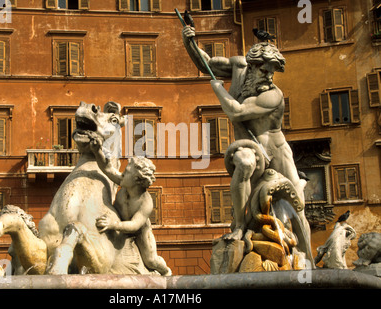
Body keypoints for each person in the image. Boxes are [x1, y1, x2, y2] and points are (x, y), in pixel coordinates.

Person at [182, 25, 308, 242]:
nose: (269, 77)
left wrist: (218, 89)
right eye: (265, 70)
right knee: (244, 163)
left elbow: (236, 112)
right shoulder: (238, 67)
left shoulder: (273, 95)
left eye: (272, 72)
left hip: (276, 150)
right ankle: (239, 227)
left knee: (298, 205)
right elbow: (207, 64)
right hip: (248, 145)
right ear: (252, 66)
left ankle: (308, 259)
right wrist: (189, 42)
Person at [89, 134, 172, 276]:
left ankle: (166, 271)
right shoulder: (125, 184)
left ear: (136, 179)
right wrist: (97, 151)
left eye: (126, 172)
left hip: (140, 232)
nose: (122, 174)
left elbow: (134, 225)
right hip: (119, 224)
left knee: (151, 260)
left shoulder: (145, 202)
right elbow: (108, 169)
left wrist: (113, 224)